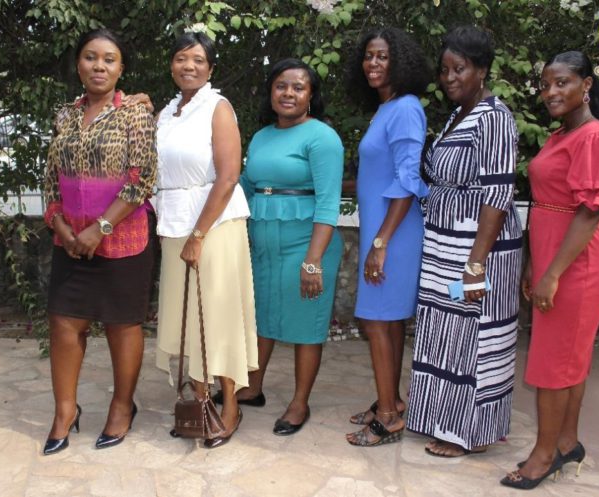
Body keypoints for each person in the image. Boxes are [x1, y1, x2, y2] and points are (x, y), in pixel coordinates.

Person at [501, 51, 599, 490]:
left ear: (586, 85)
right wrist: (537, 262)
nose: (550, 92)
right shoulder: (560, 136)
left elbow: (590, 211)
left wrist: (553, 273)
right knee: (569, 359)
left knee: (554, 362)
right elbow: (548, 206)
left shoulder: (594, 136)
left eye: (562, 83)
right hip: (556, 259)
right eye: (546, 84)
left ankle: (544, 455)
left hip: (579, 264)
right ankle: (568, 442)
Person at [406, 26, 523, 457]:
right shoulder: (459, 114)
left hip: (477, 249)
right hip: (446, 243)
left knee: (473, 333)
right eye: (445, 70)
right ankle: (440, 418)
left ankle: (466, 432)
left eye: (460, 69)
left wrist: (476, 265)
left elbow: (496, 195)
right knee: (445, 329)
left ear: (482, 70)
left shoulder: (494, 118)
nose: (450, 77)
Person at [42, 29, 157, 454]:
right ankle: (65, 412)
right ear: (79, 65)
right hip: (70, 241)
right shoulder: (64, 117)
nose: (99, 66)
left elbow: (141, 179)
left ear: (121, 68)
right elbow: (50, 179)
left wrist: (99, 229)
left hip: (123, 240)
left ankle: (122, 407)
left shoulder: (135, 115)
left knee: (121, 325)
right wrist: (61, 226)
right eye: (91, 58)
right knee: (64, 322)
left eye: (109, 59)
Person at [220, 58, 343, 436]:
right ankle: (253, 387)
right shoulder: (260, 136)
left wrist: (313, 261)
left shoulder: (322, 137)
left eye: (298, 87)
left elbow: (327, 202)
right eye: (281, 86)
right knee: (262, 318)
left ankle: (299, 402)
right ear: (271, 92)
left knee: (306, 324)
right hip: (263, 241)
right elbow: (246, 186)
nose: (288, 93)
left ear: (311, 96)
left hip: (306, 244)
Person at [154, 32, 258, 449]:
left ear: (211, 68)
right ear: (172, 65)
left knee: (217, 315)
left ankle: (229, 405)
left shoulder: (218, 107)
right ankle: (200, 402)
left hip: (213, 225)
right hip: (174, 226)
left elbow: (229, 175)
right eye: (181, 58)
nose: (189, 66)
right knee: (187, 318)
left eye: (198, 60)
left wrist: (199, 234)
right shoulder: (168, 112)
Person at [343, 27, 431, 447]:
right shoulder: (387, 108)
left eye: (382, 56)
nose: (373, 63)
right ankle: (389, 401)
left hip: (394, 232)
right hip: (383, 229)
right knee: (387, 321)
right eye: (368, 56)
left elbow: (408, 178)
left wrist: (380, 243)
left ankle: (389, 419)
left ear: (401, 61)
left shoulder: (407, 108)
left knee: (376, 320)